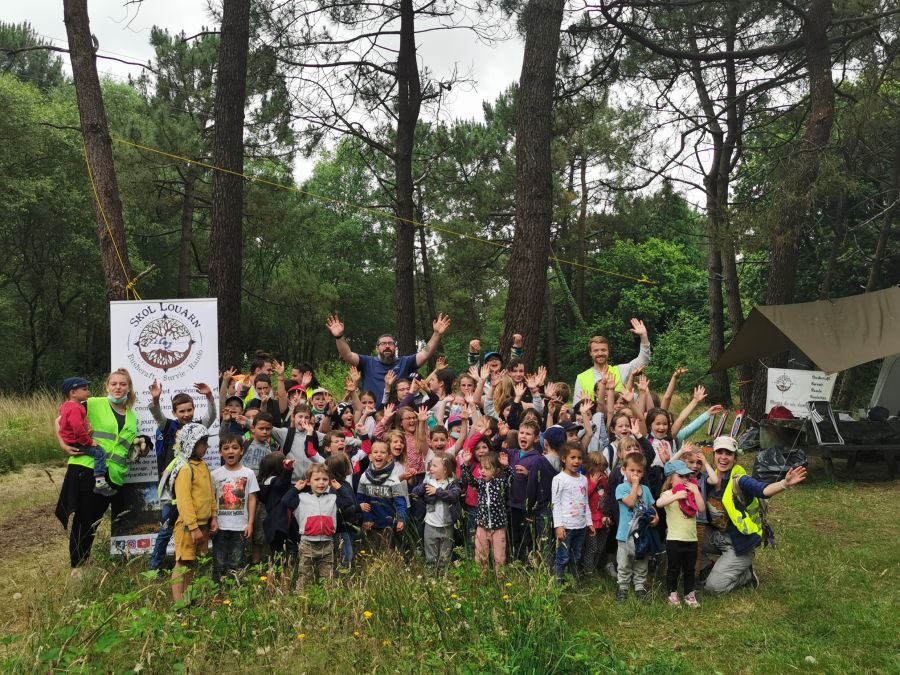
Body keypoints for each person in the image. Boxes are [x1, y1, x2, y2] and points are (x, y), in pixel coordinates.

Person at [55, 369, 139, 572]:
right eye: (114, 384)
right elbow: (60, 420)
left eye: (123, 384)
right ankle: (78, 569)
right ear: (107, 386)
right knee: (84, 522)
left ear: (129, 388)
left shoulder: (131, 416)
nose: (118, 387)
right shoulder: (93, 403)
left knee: (94, 522)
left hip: (113, 476)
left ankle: (85, 563)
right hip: (87, 470)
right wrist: (63, 444)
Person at [702, 435, 806, 595]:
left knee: (713, 588)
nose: (723, 457)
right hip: (716, 537)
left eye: (728, 453)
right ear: (714, 455)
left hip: (739, 545)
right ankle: (708, 567)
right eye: (719, 452)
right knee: (682, 537)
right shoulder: (708, 478)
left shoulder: (740, 480)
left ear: (734, 458)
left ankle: (746, 575)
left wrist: (784, 483)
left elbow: (763, 490)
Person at [148, 379, 217, 572]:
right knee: (165, 530)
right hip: (172, 492)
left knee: (194, 526)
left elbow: (211, 417)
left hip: (192, 489)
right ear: (174, 413)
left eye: (189, 410)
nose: (186, 414)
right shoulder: (168, 426)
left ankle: (194, 566)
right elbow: (157, 414)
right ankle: (154, 568)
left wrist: (210, 397)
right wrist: (155, 399)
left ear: (194, 409)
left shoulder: (196, 427)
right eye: (182, 411)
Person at [324, 312, 452, 400]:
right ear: (377, 348)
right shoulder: (367, 362)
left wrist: (436, 334)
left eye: (390, 343)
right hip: (372, 416)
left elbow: (425, 352)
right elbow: (347, 355)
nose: (387, 346)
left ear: (395, 347)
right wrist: (339, 337)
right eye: (383, 343)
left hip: (399, 417)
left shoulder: (405, 362)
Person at [282, 463, 357, 587]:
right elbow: (285, 501)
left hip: (327, 543)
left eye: (325, 479)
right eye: (317, 479)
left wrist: (339, 487)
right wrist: (296, 488)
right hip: (307, 544)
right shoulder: (301, 498)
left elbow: (349, 501)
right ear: (308, 482)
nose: (321, 483)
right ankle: (302, 600)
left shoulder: (333, 498)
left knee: (327, 577)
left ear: (329, 481)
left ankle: (327, 599)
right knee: (305, 576)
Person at [168, 423, 217, 602]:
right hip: (189, 527)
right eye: (202, 443)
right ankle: (180, 604)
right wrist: (194, 527)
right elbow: (184, 501)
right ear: (191, 443)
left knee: (192, 563)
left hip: (203, 525)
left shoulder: (202, 465)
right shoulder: (184, 468)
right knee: (182, 563)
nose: (206, 447)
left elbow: (211, 494)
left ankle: (189, 600)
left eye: (205, 443)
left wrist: (214, 517)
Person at [211, 434, 259, 587]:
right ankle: (218, 591)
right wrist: (213, 520)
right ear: (220, 452)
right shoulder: (215, 474)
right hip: (220, 527)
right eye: (226, 448)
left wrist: (250, 523)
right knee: (219, 561)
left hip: (240, 526)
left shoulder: (248, 473)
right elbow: (212, 500)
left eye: (235, 448)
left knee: (238, 560)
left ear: (241, 451)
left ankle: (236, 591)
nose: (230, 451)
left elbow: (252, 498)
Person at [656, 459, 705, 607]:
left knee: (690, 569)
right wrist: (676, 496)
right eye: (681, 476)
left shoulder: (691, 494)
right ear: (671, 479)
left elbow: (701, 509)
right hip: (674, 539)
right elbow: (659, 503)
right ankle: (672, 593)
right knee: (673, 568)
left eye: (687, 477)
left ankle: (689, 594)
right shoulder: (668, 493)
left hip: (691, 539)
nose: (685, 479)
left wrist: (696, 491)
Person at [57, 377, 115, 497]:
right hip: (77, 442)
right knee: (100, 453)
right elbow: (77, 430)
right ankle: (100, 482)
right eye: (84, 389)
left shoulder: (67, 406)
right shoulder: (75, 408)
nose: (88, 392)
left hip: (73, 441)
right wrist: (89, 442)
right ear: (73, 393)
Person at [572, 319, 651, 405]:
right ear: (590, 353)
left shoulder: (621, 370)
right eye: (596, 350)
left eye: (603, 350)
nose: (600, 353)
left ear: (608, 351)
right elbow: (577, 407)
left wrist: (644, 337)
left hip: (620, 416)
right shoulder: (581, 378)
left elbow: (643, 361)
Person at [615, 452, 659, 603]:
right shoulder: (621, 488)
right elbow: (630, 503)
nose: (635, 474)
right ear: (624, 470)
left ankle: (640, 586)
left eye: (639, 471)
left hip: (642, 534)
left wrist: (656, 516)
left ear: (643, 472)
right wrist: (634, 485)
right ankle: (623, 587)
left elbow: (651, 505)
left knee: (641, 561)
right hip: (625, 535)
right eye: (632, 470)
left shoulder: (645, 490)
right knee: (624, 562)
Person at [461, 449, 511, 570]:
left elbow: (510, 480)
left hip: (498, 527)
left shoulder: (500, 483)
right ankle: (481, 580)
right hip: (482, 526)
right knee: (480, 556)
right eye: (482, 468)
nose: (483, 471)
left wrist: (506, 467)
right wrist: (466, 464)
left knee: (499, 557)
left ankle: (500, 581)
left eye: (487, 468)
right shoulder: (480, 484)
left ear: (496, 471)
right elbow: (469, 480)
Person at [551, 442, 593, 584]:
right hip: (566, 527)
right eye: (572, 457)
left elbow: (585, 502)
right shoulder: (559, 479)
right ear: (564, 459)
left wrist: (589, 522)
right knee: (563, 557)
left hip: (580, 526)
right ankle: (559, 583)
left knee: (576, 556)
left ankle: (574, 582)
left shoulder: (583, 479)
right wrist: (559, 526)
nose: (576, 461)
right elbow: (555, 504)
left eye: (579, 458)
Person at [357, 441, 408, 552]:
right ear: (370, 457)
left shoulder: (393, 479)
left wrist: (401, 519)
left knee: (389, 554)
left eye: (382, 452)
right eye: (375, 452)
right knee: (371, 554)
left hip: (389, 525)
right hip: (371, 525)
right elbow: (361, 500)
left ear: (389, 457)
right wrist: (366, 518)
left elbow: (401, 502)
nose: (378, 455)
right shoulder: (364, 477)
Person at [412, 454, 461, 568]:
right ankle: (431, 580)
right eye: (431, 465)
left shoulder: (452, 483)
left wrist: (437, 492)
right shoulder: (429, 482)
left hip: (447, 526)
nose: (431, 469)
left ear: (445, 469)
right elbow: (414, 492)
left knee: (445, 557)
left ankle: (443, 581)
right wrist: (421, 489)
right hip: (430, 525)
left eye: (434, 466)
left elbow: (454, 495)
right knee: (430, 558)